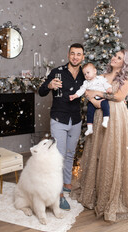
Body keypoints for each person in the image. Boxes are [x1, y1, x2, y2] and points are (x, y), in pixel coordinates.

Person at [71, 50, 128, 221]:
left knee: (111, 151)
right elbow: (89, 91)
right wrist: (94, 100)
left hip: (117, 116)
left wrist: (99, 96)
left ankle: (110, 196)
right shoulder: (103, 75)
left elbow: (120, 96)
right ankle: (96, 195)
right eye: (114, 55)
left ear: (124, 62)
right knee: (98, 152)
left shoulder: (127, 76)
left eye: (119, 57)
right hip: (100, 115)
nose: (114, 58)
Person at [38, 43, 85, 210]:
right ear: (68, 55)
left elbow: (95, 89)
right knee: (59, 157)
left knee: (70, 154)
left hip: (76, 120)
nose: (75, 57)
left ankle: (67, 184)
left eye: (78, 54)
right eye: (73, 54)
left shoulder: (85, 75)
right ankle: (58, 195)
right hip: (59, 119)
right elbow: (41, 91)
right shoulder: (57, 72)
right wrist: (49, 86)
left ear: (83, 57)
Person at [69, 63, 112, 135]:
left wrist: (109, 88)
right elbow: (82, 90)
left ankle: (105, 120)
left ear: (95, 71)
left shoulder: (100, 79)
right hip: (92, 99)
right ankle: (89, 128)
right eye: (85, 74)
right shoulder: (86, 82)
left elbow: (106, 84)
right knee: (89, 112)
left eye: (88, 72)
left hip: (102, 97)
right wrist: (75, 95)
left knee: (106, 106)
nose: (86, 75)